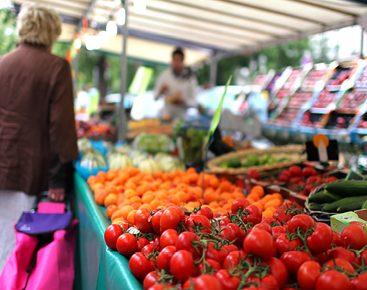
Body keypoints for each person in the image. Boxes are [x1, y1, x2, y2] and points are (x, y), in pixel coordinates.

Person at [0, 4, 78, 269]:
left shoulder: (2, 63)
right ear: (51, 32)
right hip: (29, 168)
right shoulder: (56, 68)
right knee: (15, 245)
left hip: (3, 163)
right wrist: (58, 179)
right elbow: (62, 127)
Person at [154, 47, 198, 119]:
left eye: (179, 60)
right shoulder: (164, 76)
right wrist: (160, 91)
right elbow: (155, 97)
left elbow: (194, 101)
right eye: (174, 60)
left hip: (182, 118)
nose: (176, 63)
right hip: (166, 116)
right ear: (171, 60)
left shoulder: (190, 78)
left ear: (183, 61)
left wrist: (184, 102)